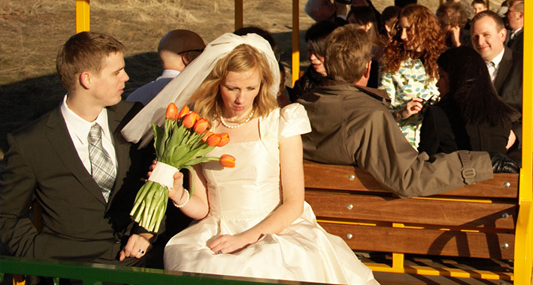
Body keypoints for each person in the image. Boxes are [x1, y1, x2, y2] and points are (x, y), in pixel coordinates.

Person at [121, 33, 377, 285]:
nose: (241, 98)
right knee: (196, 258)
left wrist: (246, 238)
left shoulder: (280, 122)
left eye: (250, 88)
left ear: (263, 84)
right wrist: (179, 194)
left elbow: (293, 204)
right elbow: (203, 207)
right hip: (216, 227)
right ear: (217, 83)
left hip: (276, 227)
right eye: (231, 88)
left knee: (263, 261)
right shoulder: (201, 127)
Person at [0, 32, 154, 264]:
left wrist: (145, 232)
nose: (126, 77)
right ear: (86, 79)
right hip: (70, 270)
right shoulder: (30, 143)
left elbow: (158, 181)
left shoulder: (133, 117)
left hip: (139, 262)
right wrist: (39, 253)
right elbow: (7, 216)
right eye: (116, 72)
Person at [299, 26, 494, 198]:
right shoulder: (369, 117)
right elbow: (408, 177)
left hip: (317, 212)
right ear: (368, 68)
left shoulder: (302, 107)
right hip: (361, 219)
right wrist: (481, 163)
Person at [418, 47, 519, 170]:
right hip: (499, 186)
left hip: (454, 186)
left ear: (457, 78)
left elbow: (424, 164)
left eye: (442, 76)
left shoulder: (438, 114)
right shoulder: (502, 113)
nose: (437, 84)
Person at [470, 11, 533, 156]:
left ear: (502, 35)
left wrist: (515, 134)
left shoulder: (526, 65)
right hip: (472, 150)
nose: (480, 42)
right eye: (475, 37)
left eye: (486, 35)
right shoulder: (466, 67)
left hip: (511, 152)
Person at [378, 4, 444, 148]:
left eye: (409, 30)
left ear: (424, 29)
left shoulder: (444, 61)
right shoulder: (391, 63)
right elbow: (381, 113)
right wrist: (402, 113)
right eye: (400, 29)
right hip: (403, 144)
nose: (402, 36)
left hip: (437, 143)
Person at [128, 29, 205, 104]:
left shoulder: (135, 96)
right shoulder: (198, 95)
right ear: (186, 58)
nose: (206, 55)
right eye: (202, 51)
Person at [289, 20, 339, 102]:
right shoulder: (303, 83)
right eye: (309, 51)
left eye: (318, 51)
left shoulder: (349, 82)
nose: (312, 57)